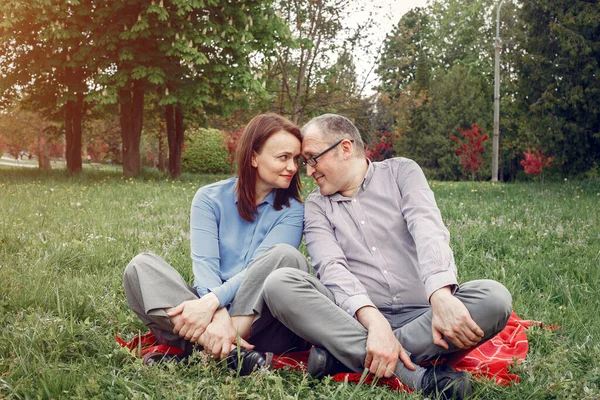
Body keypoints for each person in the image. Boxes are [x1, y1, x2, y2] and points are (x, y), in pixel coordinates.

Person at [260, 114, 512, 399]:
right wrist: (375, 322)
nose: (308, 171)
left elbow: (427, 229)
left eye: (312, 159)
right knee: (280, 283)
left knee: (494, 298)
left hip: (424, 318)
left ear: (345, 148)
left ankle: (341, 358)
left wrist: (441, 297)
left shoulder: (401, 172)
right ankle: (415, 377)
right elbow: (331, 268)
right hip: (353, 319)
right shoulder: (317, 205)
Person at [123, 113, 311, 373]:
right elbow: (205, 266)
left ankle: (209, 346)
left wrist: (212, 304)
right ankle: (227, 350)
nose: (292, 167)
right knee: (140, 267)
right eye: (283, 157)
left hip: (261, 321)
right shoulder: (209, 198)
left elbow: (259, 270)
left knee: (285, 256)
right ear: (254, 157)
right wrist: (215, 309)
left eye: (295, 159)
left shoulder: (294, 211)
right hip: (208, 310)